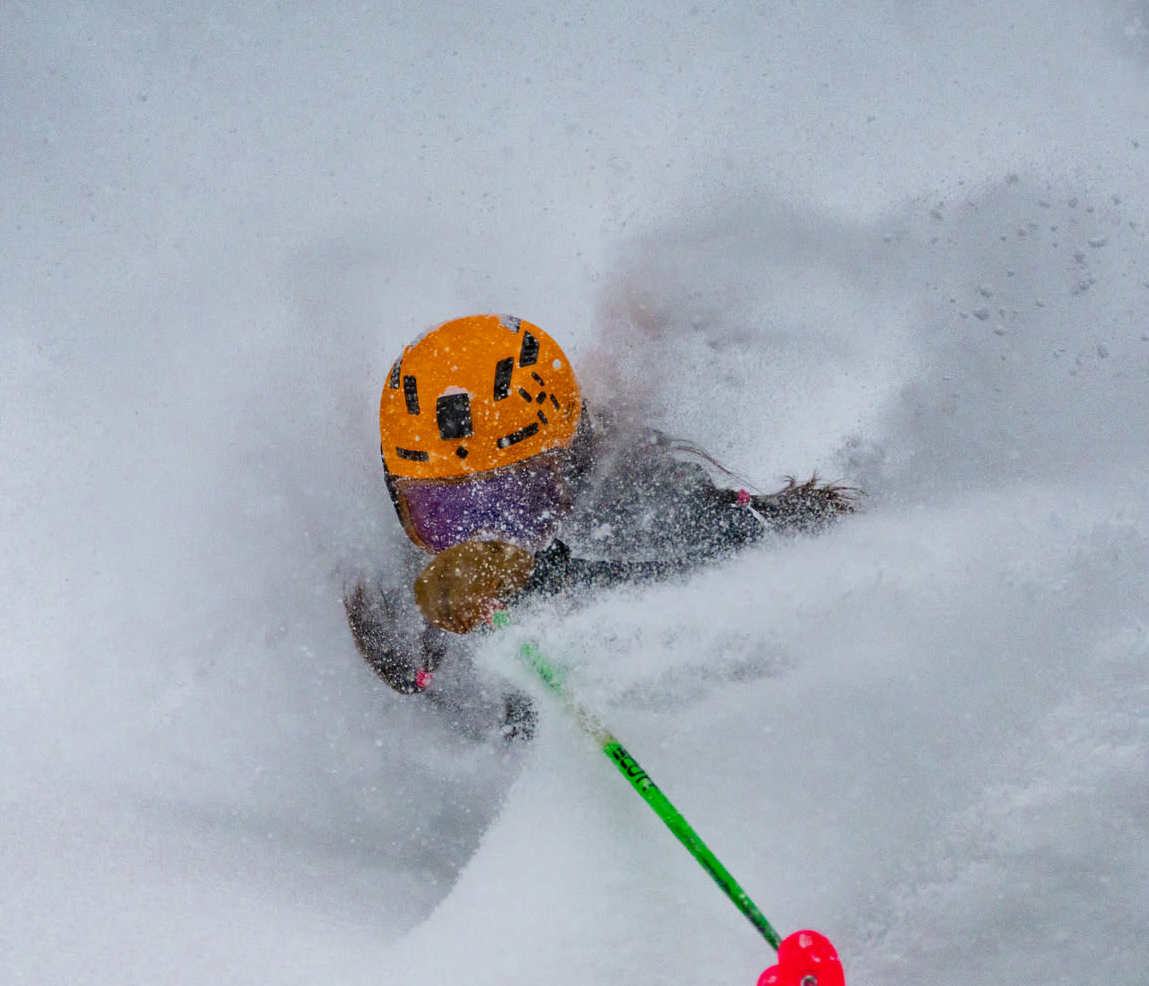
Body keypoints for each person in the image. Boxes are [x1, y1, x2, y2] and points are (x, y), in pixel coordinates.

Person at [344, 314, 857, 739]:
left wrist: (547, 583)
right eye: (443, 512)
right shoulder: (404, 574)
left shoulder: (637, 493)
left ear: (571, 462)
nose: (481, 538)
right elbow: (397, 658)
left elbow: (776, 561)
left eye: (517, 501)